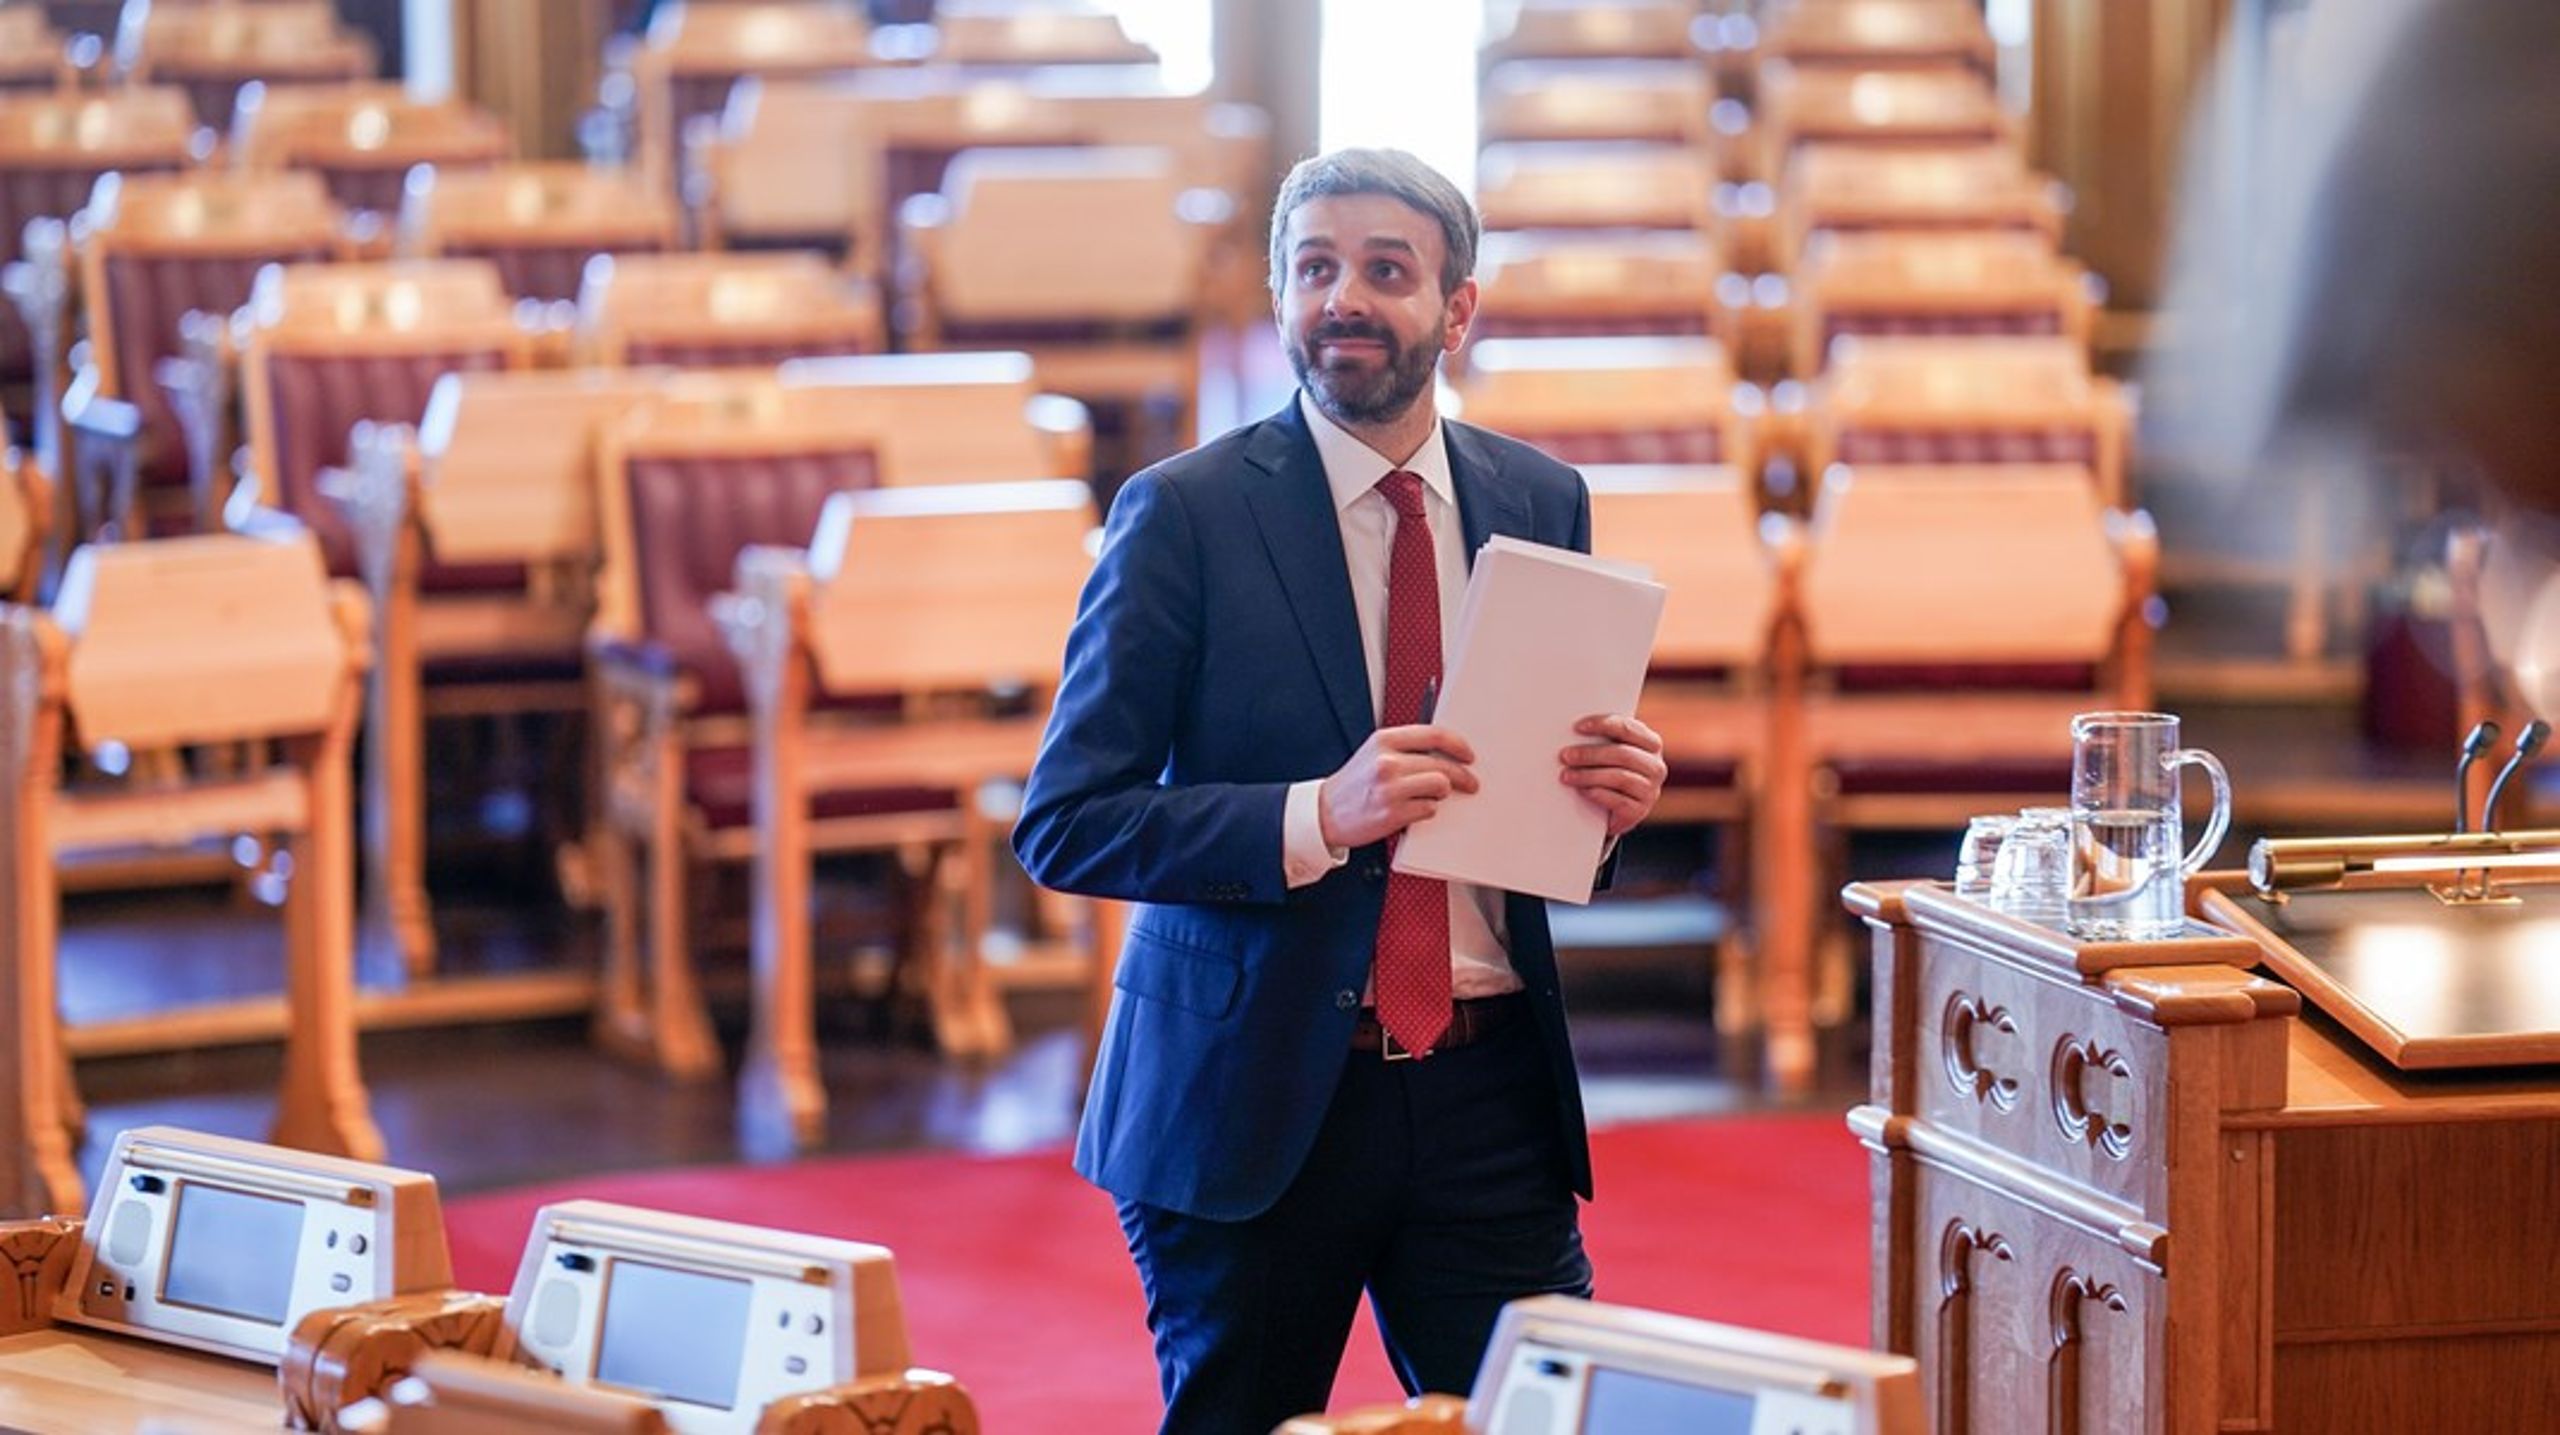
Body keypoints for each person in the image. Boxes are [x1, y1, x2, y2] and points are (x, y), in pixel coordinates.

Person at [1013, 147, 1667, 1433]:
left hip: (1486, 1089)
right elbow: (1065, 820)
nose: (1344, 299)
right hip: (1250, 1099)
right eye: (1314, 269)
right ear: (1279, 296)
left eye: (1385, 270)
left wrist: (1610, 808)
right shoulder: (1182, 514)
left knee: (1544, 1423)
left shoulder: (1541, 498)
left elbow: (1543, 815)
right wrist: (1318, 814)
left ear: (1456, 307)